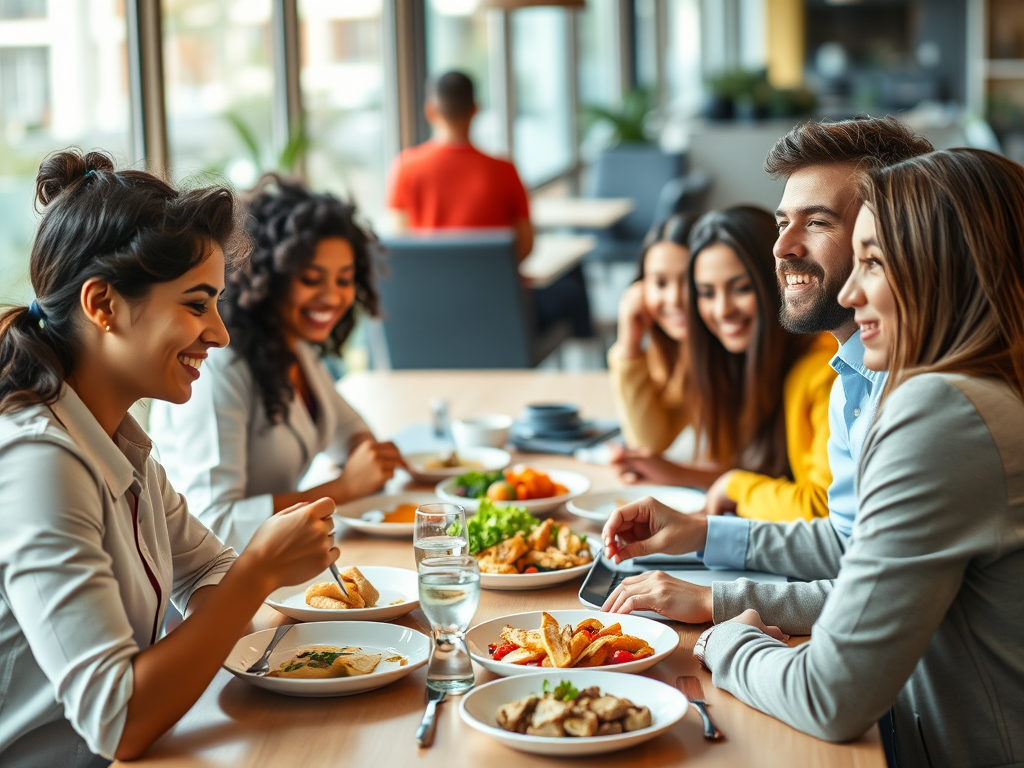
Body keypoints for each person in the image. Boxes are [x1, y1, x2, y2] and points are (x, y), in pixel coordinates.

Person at [608, 148, 1024, 767]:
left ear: (946, 269)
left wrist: (727, 641)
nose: (851, 290)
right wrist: (708, 546)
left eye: (873, 261)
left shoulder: (941, 410)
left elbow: (829, 697)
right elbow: (859, 551)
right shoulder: (949, 389)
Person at [0, 150, 336, 766]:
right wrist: (259, 572)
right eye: (196, 304)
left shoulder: (117, 440)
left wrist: (245, 584)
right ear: (103, 305)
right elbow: (119, 722)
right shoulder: (39, 462)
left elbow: (208, 569)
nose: (220, 333)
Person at [149, 175, 404, 553]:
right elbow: (215, 522)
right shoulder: (216, 367)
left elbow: (351, 434)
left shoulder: (295, 348)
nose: (332, 297)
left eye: (345, 280)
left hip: (280, 562)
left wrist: (365, 457)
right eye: (311, 279)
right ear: (268, 276)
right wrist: (344, 488)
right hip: (217, 577)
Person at [610, 205, 837, 522]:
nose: (722, 309)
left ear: (778, 283)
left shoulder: (825, 369)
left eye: (741, 288)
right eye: (706, 293)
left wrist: (733, 487)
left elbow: (825, 508)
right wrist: (677, 474)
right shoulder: (732, 358)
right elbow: (761, 476)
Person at [387, 70, 591, 338]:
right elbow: (525, 246)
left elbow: (401, 245)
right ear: (475, 110)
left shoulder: (406, 168)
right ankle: (597, 357)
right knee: (572, 289)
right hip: (503, 314)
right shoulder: (504, 170)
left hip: (434, 313)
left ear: (430, 111)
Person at [608, 213, 702, 461]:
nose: (674, 299)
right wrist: (629, 346)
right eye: (660, 283)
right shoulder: (669, 350)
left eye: (690, 281)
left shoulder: (731, 351)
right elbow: (650, 442)